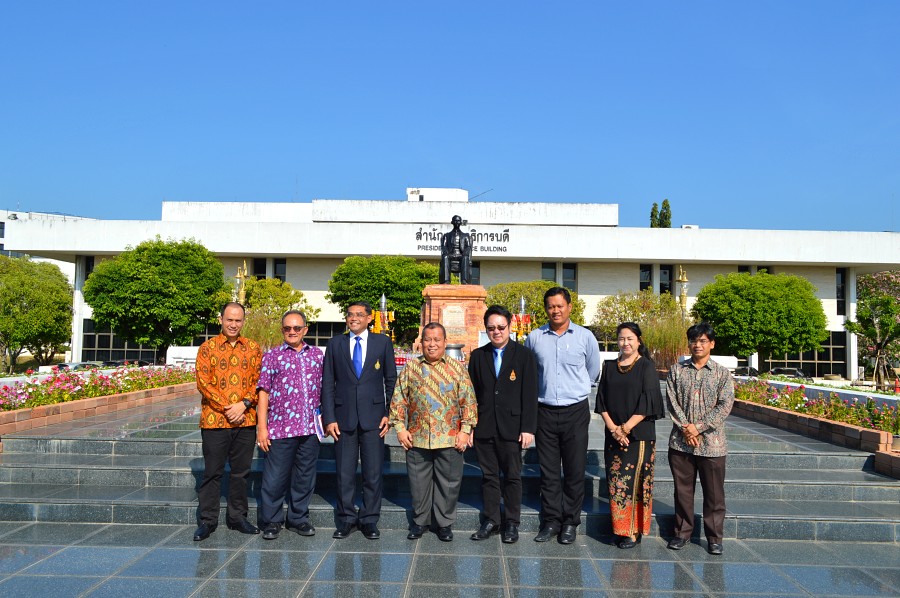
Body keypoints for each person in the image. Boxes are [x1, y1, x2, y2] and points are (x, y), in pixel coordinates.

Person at [525, 287, 600, 544]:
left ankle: (570, 522)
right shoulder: (534, 338)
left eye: (560, 306)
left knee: (575, 469)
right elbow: (530, 373)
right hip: (544, 411)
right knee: (548, 471)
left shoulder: (585, 337)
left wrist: (574, 391)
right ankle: (551, 521)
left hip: (575, 411)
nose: (555, 311)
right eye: (550, 307)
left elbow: (592, 371)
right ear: (545, 309)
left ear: (569, 307)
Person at [389, 322, 477, 542]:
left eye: (437, 340)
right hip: (417, 437)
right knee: (418, 484)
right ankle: (420, 522)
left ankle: (444, 524)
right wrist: (400, 429)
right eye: (428, 339)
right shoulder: (411, 368)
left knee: (449, 483)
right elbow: (399, 399)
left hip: (450, 438)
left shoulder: (457, 369)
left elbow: (469, 402)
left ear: (445, 343)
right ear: (421, 342)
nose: (432, 344)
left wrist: (465, 431)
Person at [321, 301, 398, 540]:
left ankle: (369, 519)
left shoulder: (382, 343)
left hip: (374, 419)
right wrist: (329, 417)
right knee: (344, 472)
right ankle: (346, 519)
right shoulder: (335, 344)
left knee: (373, 472)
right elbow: (327, 383)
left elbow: (391, 380)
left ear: (369, 318)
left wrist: (389, 413)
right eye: (350, 315)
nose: (354, 318)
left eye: (359, 315)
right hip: (342, 419)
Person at [468, 305, 538, 544]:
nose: (496, 332)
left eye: (501, 327)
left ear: (510, 326)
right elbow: (472, 395)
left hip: (512, 427)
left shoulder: (524, 355)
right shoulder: (478, 356)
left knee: (512, 476)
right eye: (491, 328)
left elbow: (530, 394)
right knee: (489, 476)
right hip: (485, 426)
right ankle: (491, 520)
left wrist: (528, 427)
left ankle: (511, 523)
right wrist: (469, 427)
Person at [193, 302, 262, 541]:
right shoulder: (207, 348)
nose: (234, 324)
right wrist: (228, 408)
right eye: (229, 319)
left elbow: (259, 381)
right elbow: (203, 383)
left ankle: (237, 517)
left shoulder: (253, 348)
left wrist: (243, 404)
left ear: (244, 321)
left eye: (238, 320)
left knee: (241, 473)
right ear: (221, 319)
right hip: (215, 420)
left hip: (245, 420)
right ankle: (207, 520)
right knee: (212, 472)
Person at [666, 322, 735, 555]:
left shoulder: (722, 374)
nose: (698, 345)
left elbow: (725, 405)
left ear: (712, 344)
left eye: (703, 340)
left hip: (712, 445)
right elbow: (672, 402)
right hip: (681, 443)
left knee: (714, 494)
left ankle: (714, 538)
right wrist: (687, 429)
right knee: (682, 491)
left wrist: (698, 428)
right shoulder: (677, 371)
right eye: (694, 340)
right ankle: (682, 533)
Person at [255, 310, 324, 540]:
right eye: (287, 328)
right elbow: (263, 393)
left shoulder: (316, 355)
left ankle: (298, 518)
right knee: (275, 477)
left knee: (305, 476)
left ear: (305, 329)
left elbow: (325, 389)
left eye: (296, 328)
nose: (292, 332)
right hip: (280, 427)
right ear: (282, 330)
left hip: (309, 427)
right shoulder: (272, 356)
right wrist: (261, 428)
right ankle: (272, 520)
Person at [596, 322, 665, 549]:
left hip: (639, 436)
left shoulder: (646, 366)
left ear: (638, 341)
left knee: (635, 483)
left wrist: (626, 428)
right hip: (614, 434)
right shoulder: (608, 366)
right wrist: (614, 428)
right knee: (617, 483)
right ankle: (620, 528)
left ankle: (634, 531)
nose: (625, 343)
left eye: (630, 339)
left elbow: (648, 402)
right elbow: (601, 400)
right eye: (621, 339)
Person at [439, 215, 473, 284]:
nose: (457, 222)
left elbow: (468, 247)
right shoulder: (446, 235)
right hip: (450, 255)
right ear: (452, 222)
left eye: (458, 221)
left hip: (461, 255)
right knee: (445, 257)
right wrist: (446, 253)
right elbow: (443, 246)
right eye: (455, 220)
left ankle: (464, 280)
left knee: (465, 257)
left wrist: (465, 253)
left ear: (461, 222)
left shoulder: (465, 235)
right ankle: (446, 281)